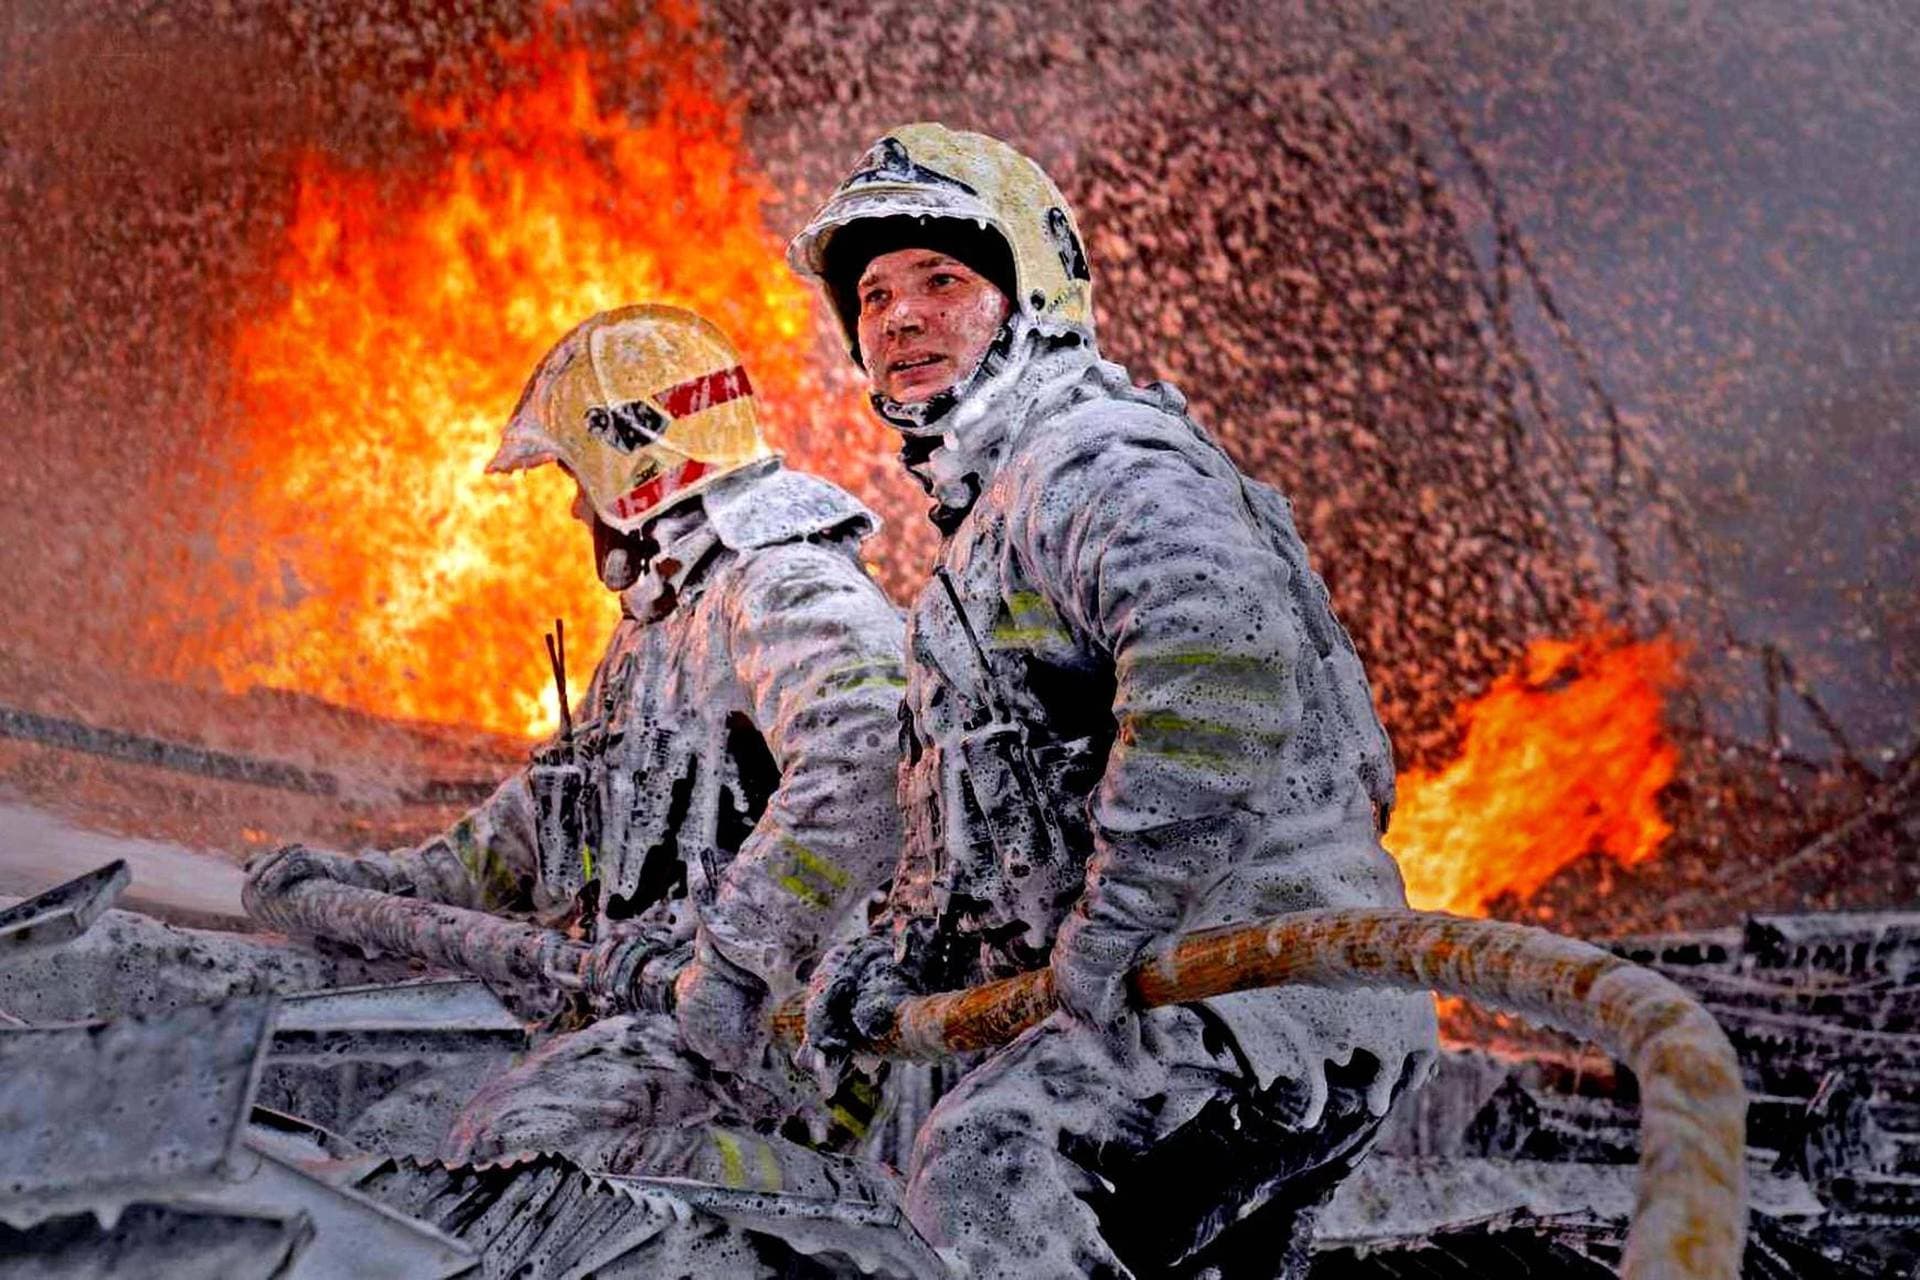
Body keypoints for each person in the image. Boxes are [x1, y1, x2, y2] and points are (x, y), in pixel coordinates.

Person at [790, 126, 1439, 1278]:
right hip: (1219, 1000)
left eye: (942, 281)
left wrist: (1119, 923)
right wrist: (895, 959)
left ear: (1035, 292)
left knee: (988, 1165)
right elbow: (992, 820)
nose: (897, 319)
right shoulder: (992, 523)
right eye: (876, 295)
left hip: (1249, 994)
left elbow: (1219, 669)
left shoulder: (1093, 461)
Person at [245, 304, 906, 1189]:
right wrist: (382, 887)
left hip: (781, 1047)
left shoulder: (783, 589)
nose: (570, 506)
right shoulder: (667, 619)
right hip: (649, 1005)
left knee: (525, 1141)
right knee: (414, 1110)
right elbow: (552, 813)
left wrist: (737, 964)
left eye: (575, 475)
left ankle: (856, 1206)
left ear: (626, 466)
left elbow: (867, 763)